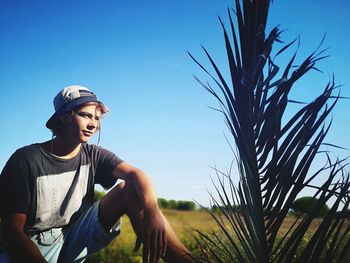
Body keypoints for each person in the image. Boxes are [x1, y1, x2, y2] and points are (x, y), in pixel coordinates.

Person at [0, 85, 193, 263]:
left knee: (130, 190)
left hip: (71, 235)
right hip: (29, 246)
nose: (93, 124)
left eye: (97, 118)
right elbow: (11, 232)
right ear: (64, 117)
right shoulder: (26, 160)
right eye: (85, 115)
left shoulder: (93, 155)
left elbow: (136, 174)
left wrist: (152, 211)